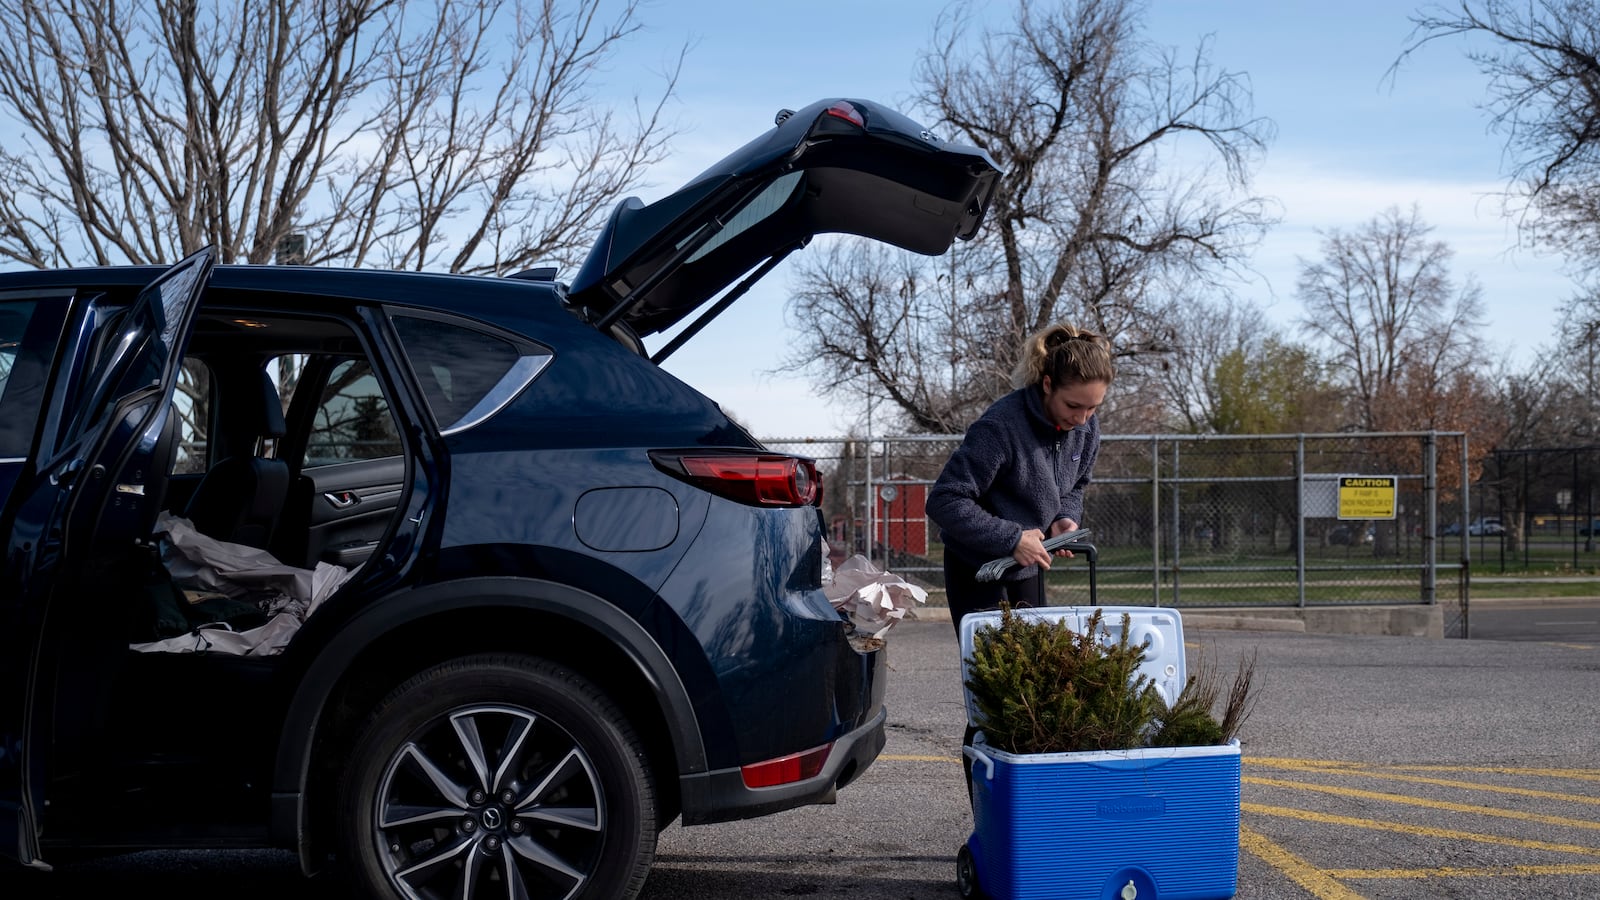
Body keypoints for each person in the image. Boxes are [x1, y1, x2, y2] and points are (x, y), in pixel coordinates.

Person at [926, 322, 1114, 637]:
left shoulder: (1086, 429)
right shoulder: (1000, 427)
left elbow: (1075, 485)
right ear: (1047, 384)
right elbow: (945, 500)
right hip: (976, 566)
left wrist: (1064, 517)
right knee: (991, 673)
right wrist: (1011, 539)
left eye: (1093, 407)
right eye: (1073, 406)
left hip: (1027, 566)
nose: (1082, 419)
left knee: (1037, 670)